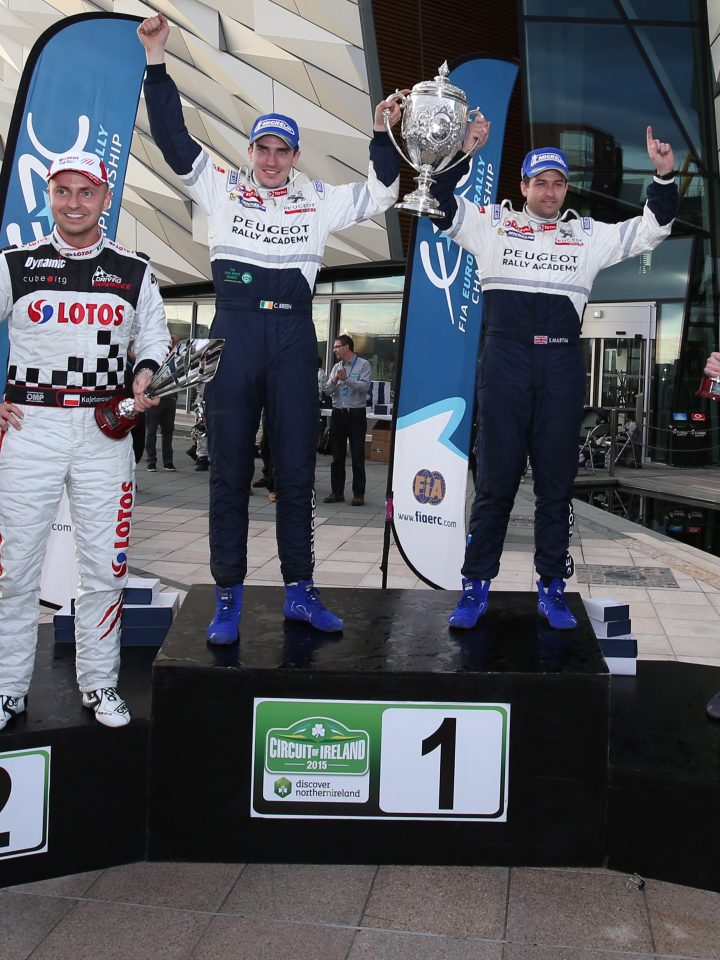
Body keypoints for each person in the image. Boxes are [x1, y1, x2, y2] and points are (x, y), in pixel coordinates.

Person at [137, 14, 401, 641]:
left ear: (295, 155)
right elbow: (172, 139)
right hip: (233, 332)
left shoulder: (317, 198)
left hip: (291, 337)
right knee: (229, 468)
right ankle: (227, 595)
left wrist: (381, 134)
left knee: (295, 469)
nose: (274, 159)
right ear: (250, 151)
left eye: (283, 150)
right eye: (264, 149)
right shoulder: (221, 187)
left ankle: (300, 591)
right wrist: (156, 62)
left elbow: (384, 193)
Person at [431, 125, 677, 630]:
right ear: (523, 186)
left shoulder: (587, 235)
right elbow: (440, 202)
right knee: (495, 483)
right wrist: (463, 151)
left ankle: (552, 588)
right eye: (540, 182)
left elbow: (654, 228)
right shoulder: (493, 224)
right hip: (505, 362)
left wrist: (663, 176)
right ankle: (475, 588)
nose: (549, 192)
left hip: (561, 364)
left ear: (566, 189)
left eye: (558, 183)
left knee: (556, 485)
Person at [0, 150, 170, 731]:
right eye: (63, 191)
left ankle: (100, 683)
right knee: (12, 570)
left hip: (104, 429)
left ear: (105, 197)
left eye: (86, 191)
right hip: (30, 428)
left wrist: (145, 374)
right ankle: (7, 688)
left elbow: (155, 336)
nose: (74, 203)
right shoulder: (16, 264)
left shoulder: (133, 269)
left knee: (105, 569)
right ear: (50, 196)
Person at [323, 334, 372, 506]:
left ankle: (358, 494)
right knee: (337, 455)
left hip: (356, 413)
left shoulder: (363, 364)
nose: (334, 350)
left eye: (337, 346)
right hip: (338, 413)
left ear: (346, 347)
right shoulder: (336, 366)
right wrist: (335, 380)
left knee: (357, 455)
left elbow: (365, 387)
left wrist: (347, 380)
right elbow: (327, 390)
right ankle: (337, 492)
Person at [144, 393, 177, 471]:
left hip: (169, 399)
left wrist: (174, 396)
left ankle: (168, 461)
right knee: (151, 431)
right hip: (153, 398)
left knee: (168, 431)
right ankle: (151, 461)